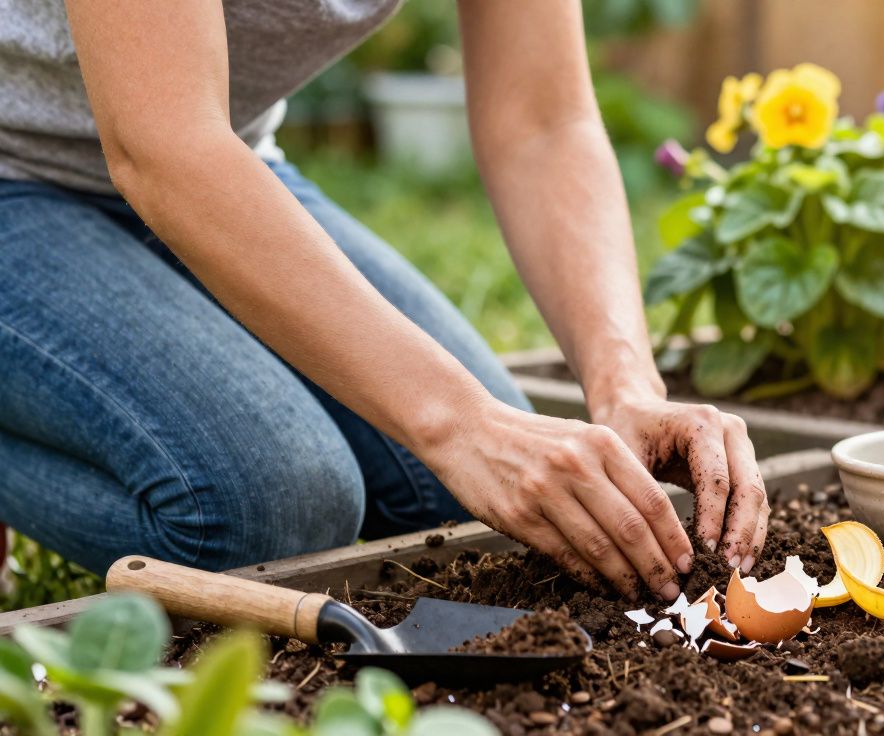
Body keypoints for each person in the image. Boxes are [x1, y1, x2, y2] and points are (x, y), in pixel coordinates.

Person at [0, 0, 768, 602]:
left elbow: (543, 121)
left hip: (226, 163)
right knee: (272, 510)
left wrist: (625, 387)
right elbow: (162, 147)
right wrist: (460, 423)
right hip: (43, 168)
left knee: (474, 504)